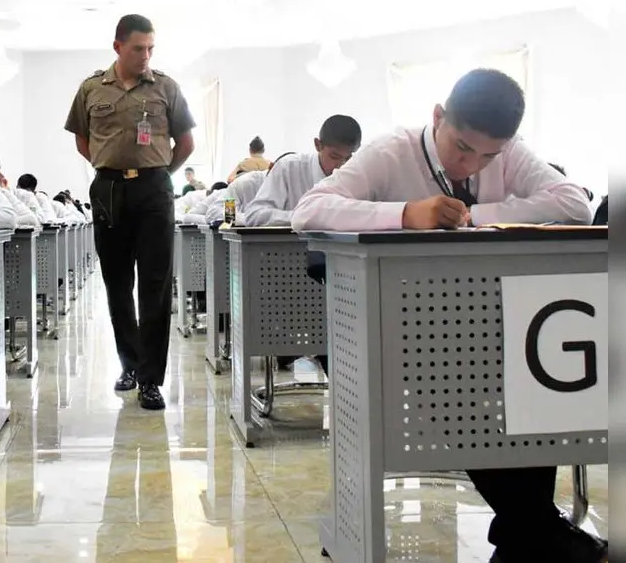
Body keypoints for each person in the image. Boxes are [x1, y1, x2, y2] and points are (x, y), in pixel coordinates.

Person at [291, 69, 599, 563]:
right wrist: (404, 213)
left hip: (497, 317)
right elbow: (309, 210)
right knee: (464, 400)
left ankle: (531, 535)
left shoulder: (507, 152)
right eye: (462, 147)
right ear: (438, 117)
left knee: (531, 397)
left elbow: (575, 204)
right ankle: (539, 533)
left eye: (489, 156)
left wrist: (477, 215)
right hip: (408, 323)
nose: (471, 164)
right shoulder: (393, 150)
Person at [64, 13, 195, 410]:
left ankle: (152, 380)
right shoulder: (90, 89)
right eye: (139, 48)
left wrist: (156, 175)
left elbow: (185, 144)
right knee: (117, 283)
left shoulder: (166, 87)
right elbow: (83, 143)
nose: (146, 55)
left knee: (155, 285)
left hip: (155, 189)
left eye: (151, 48)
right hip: (107, 189)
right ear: (118, 47)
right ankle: (131, 365)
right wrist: (114, 171)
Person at [244, 115, 362, 227]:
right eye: (334, 157)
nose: (340, 166)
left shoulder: (356, 176)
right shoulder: (289, 168)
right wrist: (302, 217)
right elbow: (254, 215)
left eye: (347, 158)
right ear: (318, 145)